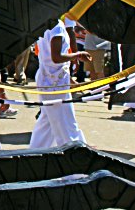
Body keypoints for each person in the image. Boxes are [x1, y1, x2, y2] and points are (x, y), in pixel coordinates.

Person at [28, 17, 92, 149]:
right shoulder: (56, 28)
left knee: (47, 122)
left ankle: (36, 151)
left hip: (50, 78)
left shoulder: (44, 24)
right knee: (65, 121)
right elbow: (56, 57)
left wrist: (69, 80)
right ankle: (74, 152)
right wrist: (78, 55)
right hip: (54, 82)